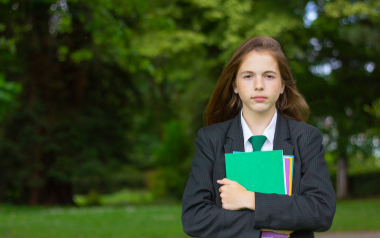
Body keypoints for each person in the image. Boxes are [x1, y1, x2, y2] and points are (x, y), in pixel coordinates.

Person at [181, 36, 336, 238]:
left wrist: (250, 199)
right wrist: (272, 222)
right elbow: (194, 218)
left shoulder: (306, 137)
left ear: (282, 86)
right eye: (248, 76)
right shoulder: (211, 139)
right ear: (234, 85)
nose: (259, 85)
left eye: (269, 76)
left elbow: (321, 211)